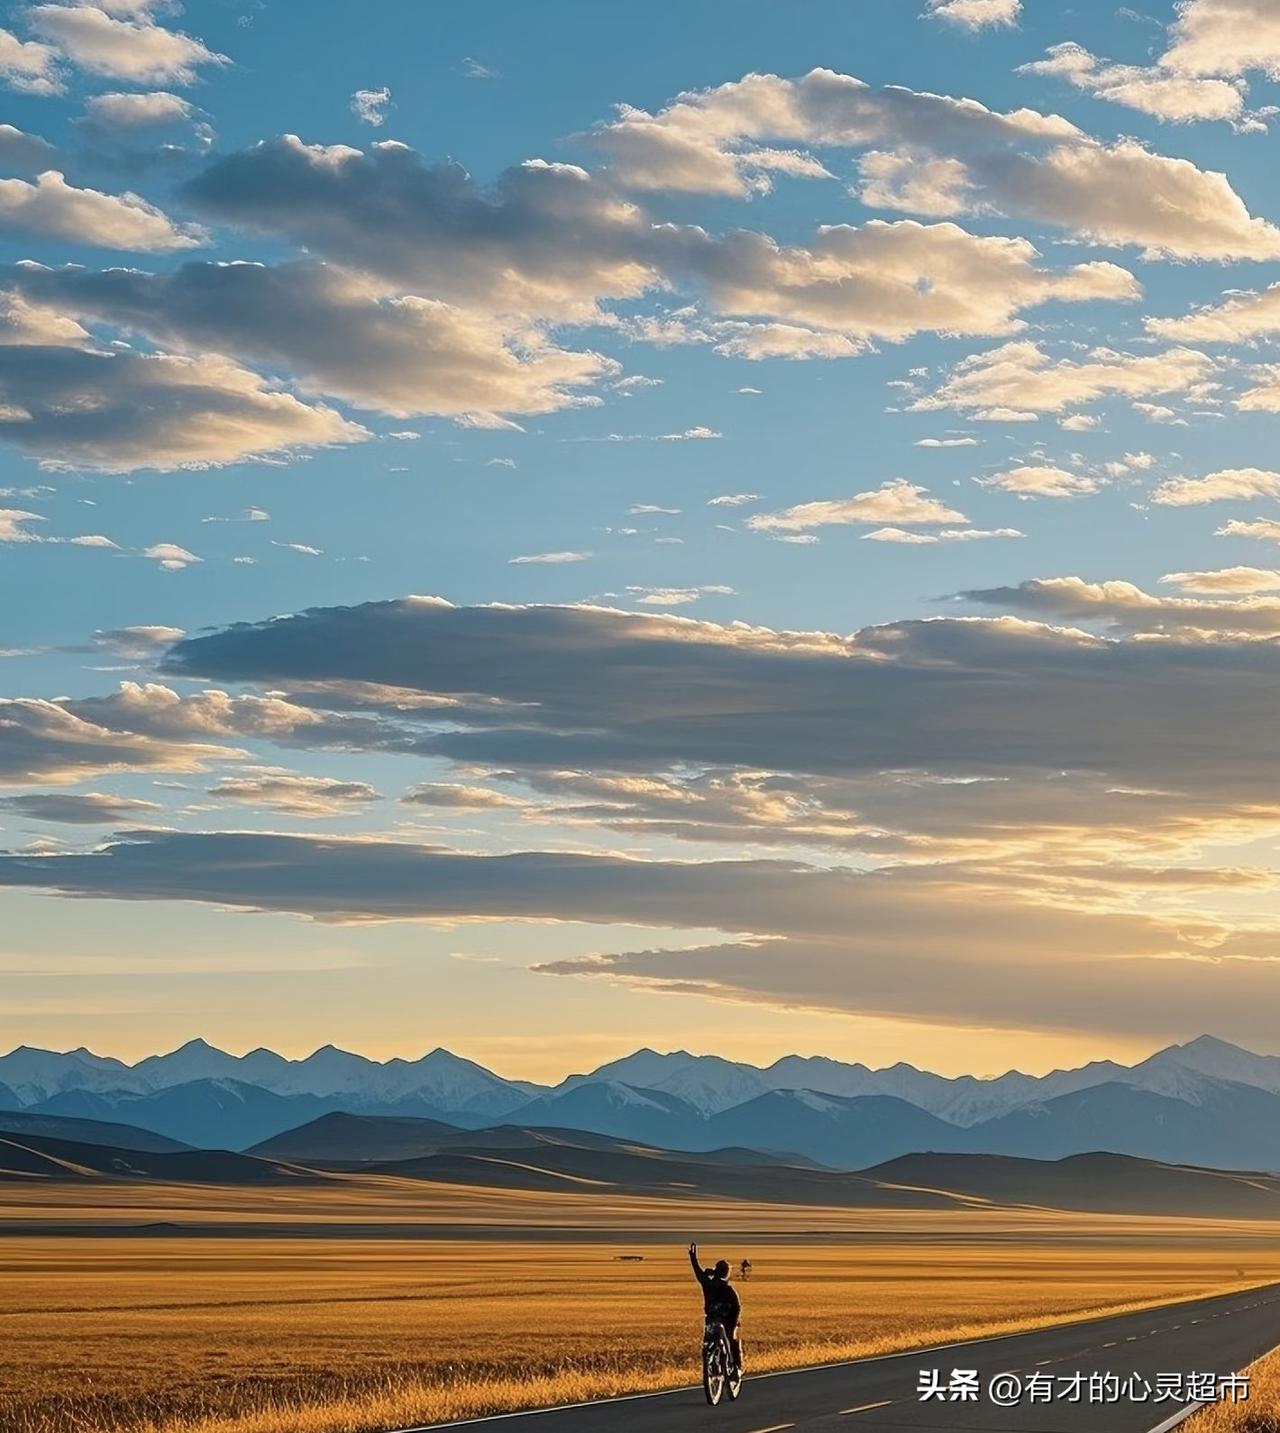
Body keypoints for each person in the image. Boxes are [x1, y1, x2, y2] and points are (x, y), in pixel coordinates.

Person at [688, 1241, 742, 1376]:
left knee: (707, 1342)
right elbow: (737, 1308)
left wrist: (693, 1258)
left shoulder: (708, 1284)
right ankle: (737, 1367)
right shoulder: (729, 1290)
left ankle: (709, 1366)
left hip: (711, 1320)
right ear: (726, 1274)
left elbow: (698, 1273)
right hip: (727, 1321)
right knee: (733, 1340)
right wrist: (734, 1323)